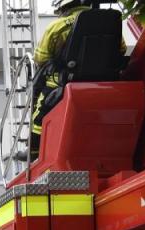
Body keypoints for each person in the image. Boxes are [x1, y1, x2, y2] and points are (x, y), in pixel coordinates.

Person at [30, 0, 125, 159]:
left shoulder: (57, 26)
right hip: (107, 81)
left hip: (63, 82)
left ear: (63, 6)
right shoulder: (111, 22)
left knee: (40, 113)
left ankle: (34, 151)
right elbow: (121, 49)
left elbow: (41, 58)